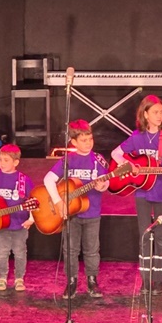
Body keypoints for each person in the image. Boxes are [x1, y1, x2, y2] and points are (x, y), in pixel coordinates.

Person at [111, 95, 162, 295]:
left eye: (161, 112)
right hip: (142, 190)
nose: (160, 116)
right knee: (144, 233)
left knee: (160, 234)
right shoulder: (137, 137)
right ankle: (145, 279)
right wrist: (130, 165)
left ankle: (160, 279)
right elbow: (116, 153)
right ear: (145, 114)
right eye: (155, 112)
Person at [44, 119, 110, 299]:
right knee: (70, 250)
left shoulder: (98, 160)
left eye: (90, 139)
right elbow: (48, 180)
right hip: (71, 214)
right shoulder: (68, 160)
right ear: (73, 142)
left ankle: (92, 281)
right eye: (83, 140)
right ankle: (71, 281)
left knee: (92, 249)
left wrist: (103, 186)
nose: (88, 143)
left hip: (92, 212)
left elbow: (106, 182)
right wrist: (58, 201)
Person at [0, 144, 35, 292]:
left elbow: (34, 201)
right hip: (0, 224)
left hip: (19, 223)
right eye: (0, 159)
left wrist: (31, 219)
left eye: (6, 160)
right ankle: (2, 278)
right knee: (2, 251)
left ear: (16, 162)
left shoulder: (23, 180)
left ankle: (19, 278)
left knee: (20, 252)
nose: (2, 163)